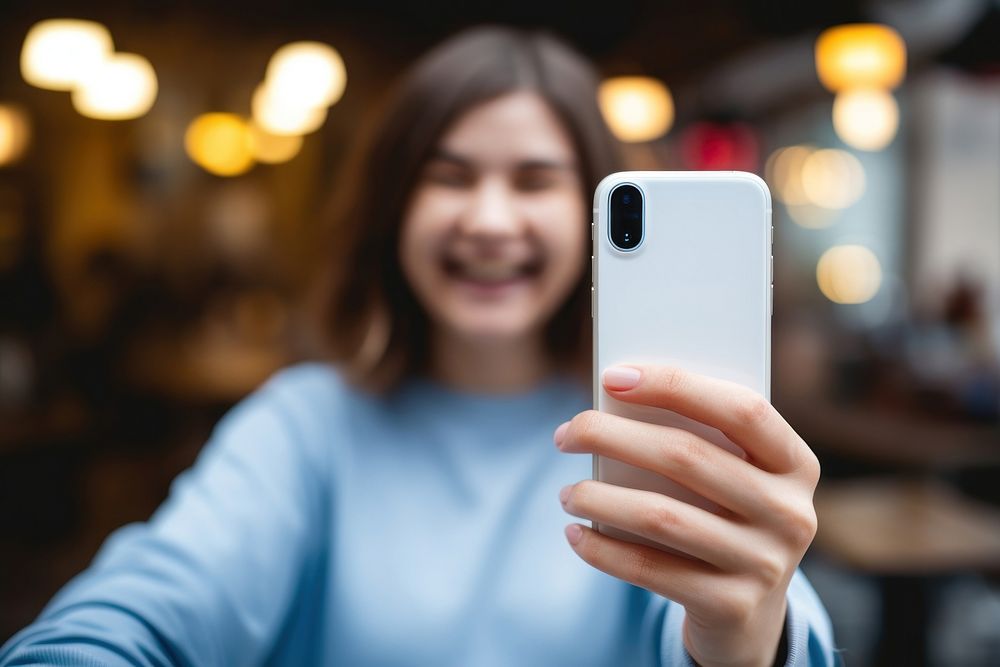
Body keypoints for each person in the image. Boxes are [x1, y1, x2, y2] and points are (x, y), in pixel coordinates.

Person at [0, 26, 837, 666]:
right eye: (449, 175)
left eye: (535, 180)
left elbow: (765, 613)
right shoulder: (306, 426)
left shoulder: (656, 432)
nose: (489, 219)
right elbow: (151, 596)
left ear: (589, 214)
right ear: (392, 208)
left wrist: (754, 632)